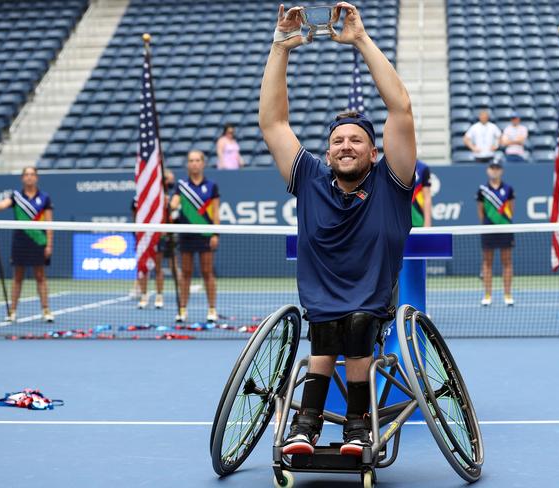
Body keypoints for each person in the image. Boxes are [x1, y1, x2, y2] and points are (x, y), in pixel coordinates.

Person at [259, 2, 416, 457]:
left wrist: (362, 40)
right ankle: (306, 425)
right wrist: (279, 49)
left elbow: (401, 108)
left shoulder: (392, 182)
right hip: (323, 304)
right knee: (327, 323)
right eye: (338, 141)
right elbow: (273, 123)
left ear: (373, 153)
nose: (346, 145)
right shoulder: (309, 178)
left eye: (357, 140)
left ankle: (356, 424)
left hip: (372, 301)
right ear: (327, 155)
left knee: (358, 321)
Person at [0, 166, 54, 322]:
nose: (29, 177)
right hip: (20, 241)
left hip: (39, 241)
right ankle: (12, 311)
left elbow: (49, 223)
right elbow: (2, 205)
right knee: (17, 277)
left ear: (36, 177)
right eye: (26, 174)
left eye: (32, 174)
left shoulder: (44, 197)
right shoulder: (16, 196)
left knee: (40, 276)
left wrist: (49, 244)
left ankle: (46, 310)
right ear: (22, 178)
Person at [170, 150, 220, 323]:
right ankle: (182, 310)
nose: (194, 163)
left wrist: (215, 233)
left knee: (207, 272)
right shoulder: (181, 185)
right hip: (186, 235)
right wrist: (170, 203)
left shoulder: (212, 186)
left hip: (205, 234)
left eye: (198, 160)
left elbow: (216, 213)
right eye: (191, 160)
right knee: (186, 273)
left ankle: (212, 309)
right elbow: (173, 204)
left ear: (203, 163)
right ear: (187, 164)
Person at [132, 169, 179, 309]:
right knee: (143, 268)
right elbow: (135, 216)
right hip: (143, 236)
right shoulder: (138, 199)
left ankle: (159, 296)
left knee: (158, 267)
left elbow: (170, 216)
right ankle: (144, 296)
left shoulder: (164, 199)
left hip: (159, 236)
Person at [476, 162, 515, 306]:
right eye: (492, 168)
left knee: (507, 262)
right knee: (487, 262)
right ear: (488, 170)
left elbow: (511, 209)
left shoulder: (508, 189)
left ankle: (508, 295)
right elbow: (480, 210)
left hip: (505, 229)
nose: (494, 171)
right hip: (488, 230)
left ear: (501, 171)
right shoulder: (482, 190)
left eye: (497, 168)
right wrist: (487, 224)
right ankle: (487, 295)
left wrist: (503, 221)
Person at [411, 159, 432, 227]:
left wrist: (427, 223)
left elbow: (427, 197)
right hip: (399, 222)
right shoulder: (393, 167)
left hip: (417, 220)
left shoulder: (423, 168)